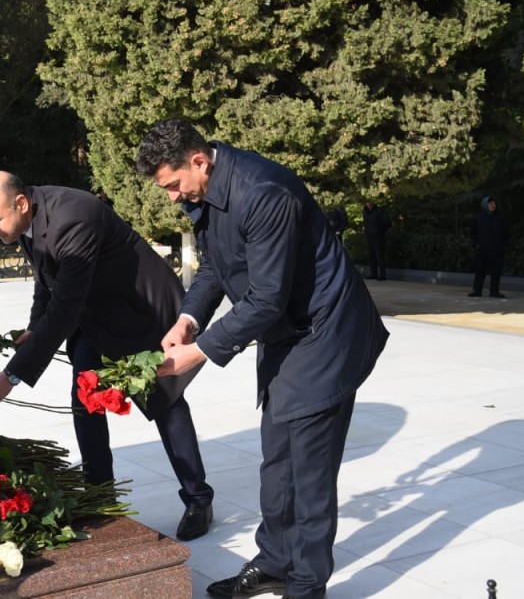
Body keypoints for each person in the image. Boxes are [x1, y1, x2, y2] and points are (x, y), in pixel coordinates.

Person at [135, 119, 388, 599]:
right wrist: (188, 319)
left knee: (309, 469)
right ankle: (275, 562)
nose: (170, 197)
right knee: (277, 460)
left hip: (326, 332)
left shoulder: (263, 192)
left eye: (171, 185)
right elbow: (216, 266)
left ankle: (307, 585)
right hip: (287, 332)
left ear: (198, 161)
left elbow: (267, 297)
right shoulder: (206, 193)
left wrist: (199, 352)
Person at [0, 171, 216, 542]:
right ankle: (101, 497)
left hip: (138, 312)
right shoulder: (25, 220)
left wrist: (12, 376)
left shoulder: (72, 218)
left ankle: (198, 498)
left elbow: (65, 308)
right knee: (85, 401)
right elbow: (46, 280)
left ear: (20, 204)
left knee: (164, 401)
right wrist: (35, 327)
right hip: (94, 316)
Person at [468, 196, 509, 299]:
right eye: (491, 204)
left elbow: (506, 233)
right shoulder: (478, 218)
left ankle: (494, 291)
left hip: (497, 250)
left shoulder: (499, 218)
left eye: (494, 204)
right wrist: (477, 244)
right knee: (480, 271)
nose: (493, 206)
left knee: (496, 271)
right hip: (483, 249)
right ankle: (477, 290)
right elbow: (473, 233)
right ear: (485, 205)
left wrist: (504, 244)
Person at [362, 201, 391, 281]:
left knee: (380, 255)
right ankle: (373, 273)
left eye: (370, 202)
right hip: (369, 236)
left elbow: (387, 222)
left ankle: (382, 275)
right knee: (371, 255)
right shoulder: (365, 211)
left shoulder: (379, 211)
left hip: (378, 236)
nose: (368, 204)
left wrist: (380, 231)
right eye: (367, 202)